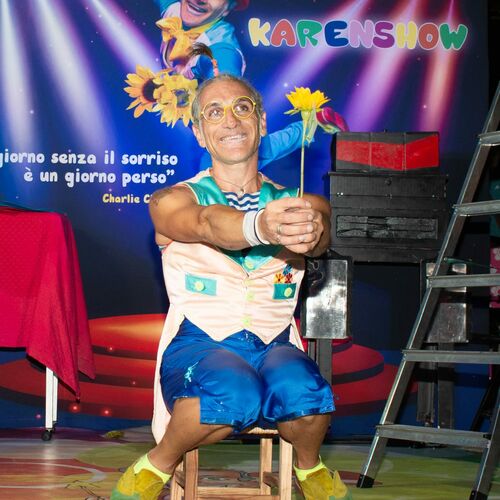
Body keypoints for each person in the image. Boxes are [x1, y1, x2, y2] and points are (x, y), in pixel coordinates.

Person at [111, 74, 351, 500]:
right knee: (234, 391)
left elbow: (321, 232)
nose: (231, 120)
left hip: (274, 341)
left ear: (261, 122)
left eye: (242, 108)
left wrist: (314, 232)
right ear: (199, 132)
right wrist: (261, 225)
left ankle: (310, 467)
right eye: (214, 112)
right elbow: (206, 223)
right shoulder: (172, 200)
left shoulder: (298, 203)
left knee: (306, 391)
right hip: (200, 340)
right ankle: (156, 464)